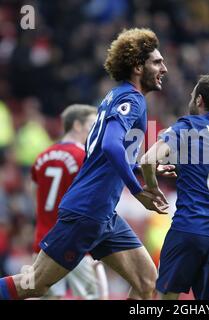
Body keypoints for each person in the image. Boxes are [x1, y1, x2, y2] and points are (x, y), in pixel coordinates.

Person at [0, 28, 170, 300]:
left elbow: (103, 154)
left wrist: (139, 169)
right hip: (87, 211)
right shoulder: (132, 100)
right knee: (34, 284)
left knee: (147, 282)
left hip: (104, 214)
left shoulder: (115, 96)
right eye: (157, 62)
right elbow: (110, 146)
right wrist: (137, 190)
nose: (165, 68)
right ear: (138, 67)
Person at [140, 74, 209, 300]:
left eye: (192, 96)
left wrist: (152, 188)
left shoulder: (188, 126)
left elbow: (148, 160)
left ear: (199, 100)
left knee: (166, 297)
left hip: (189, 228)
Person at [31, 104, 108, 299]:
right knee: (92, 296)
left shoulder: (42, 157)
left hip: (42, 239)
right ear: (76, 125)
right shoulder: (83, 156)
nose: (95, 129)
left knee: (46, 296)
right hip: (71, 240)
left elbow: (35, 194)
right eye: (92, 124)